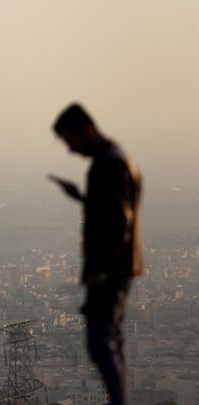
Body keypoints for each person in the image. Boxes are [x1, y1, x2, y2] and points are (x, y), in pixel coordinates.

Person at [49, 103, 143, 405]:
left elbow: (119, 222)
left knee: (101, 343)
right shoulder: (116, 159)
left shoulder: (108, 164)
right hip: (116, 266)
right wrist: (83, 198)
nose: (72, 150)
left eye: (71, 141)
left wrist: (102, 273)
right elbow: (111, 211)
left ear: (86, 130)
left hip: (110, 269)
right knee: (111, 340)